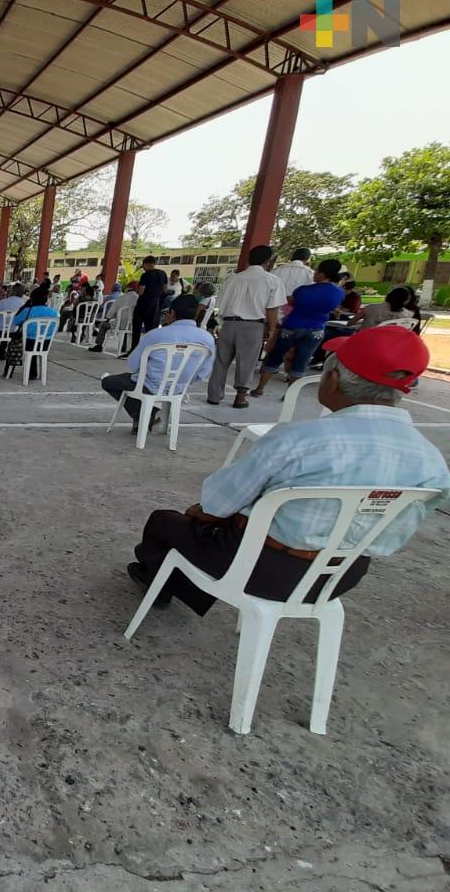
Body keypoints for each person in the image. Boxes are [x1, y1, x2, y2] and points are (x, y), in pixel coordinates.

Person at [127, 325, 449, 615]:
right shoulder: (431, 460)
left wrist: (200, 514)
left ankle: (165, 586)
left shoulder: (299, 440)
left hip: (260, 567)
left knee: (166, 523)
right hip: (338, 577)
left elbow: (217, 503)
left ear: (333, 380)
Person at [101, 295, 214, 432]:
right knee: (134, 384)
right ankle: (145, 415)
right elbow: (202, 373)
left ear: (172, 313)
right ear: (197, 313)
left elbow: (133, 364)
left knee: (108, 382)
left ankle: (143, 415)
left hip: (149, 385)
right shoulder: (207, 339)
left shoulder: (156, 335)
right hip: (178, 388)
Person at [205, 244, 286, 409]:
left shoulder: (233, 278)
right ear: (267, 261)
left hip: (228, 323)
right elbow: (272, 308)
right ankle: (240, 397)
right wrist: (271, 329)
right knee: (247, 362)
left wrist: (220, 323)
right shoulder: (272, 280)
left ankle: (214, 396)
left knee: (221, 361)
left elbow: (220, 304)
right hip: (253, 325)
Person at [251, 258, 344, 397]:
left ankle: (260, 388)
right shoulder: (338, 293)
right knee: (301, 361)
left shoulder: (304, 290)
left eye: (317, 270)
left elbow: (291, 301)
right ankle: (290, 394)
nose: (314, 273)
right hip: (316, 330)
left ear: (323, 274)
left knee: (275, 356)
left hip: (292, 326)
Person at [89, 282, 138, 353]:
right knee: (126, 330)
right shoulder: (139, 298)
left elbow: (111, 312)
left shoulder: (121, 298)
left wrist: (107, 319)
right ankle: (124, 346)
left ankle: (99, 345)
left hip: (119, 324)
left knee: (102, 325)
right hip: (132, 325)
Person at [131, 256, 169, 348]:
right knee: (150, 329)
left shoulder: (145, 275)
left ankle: (134, 348)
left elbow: (141, 291)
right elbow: (165, 290)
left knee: (137, 328)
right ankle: (147, 349)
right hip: (155, 305)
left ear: (146, 264)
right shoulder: (163, 274)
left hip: (143, 305)